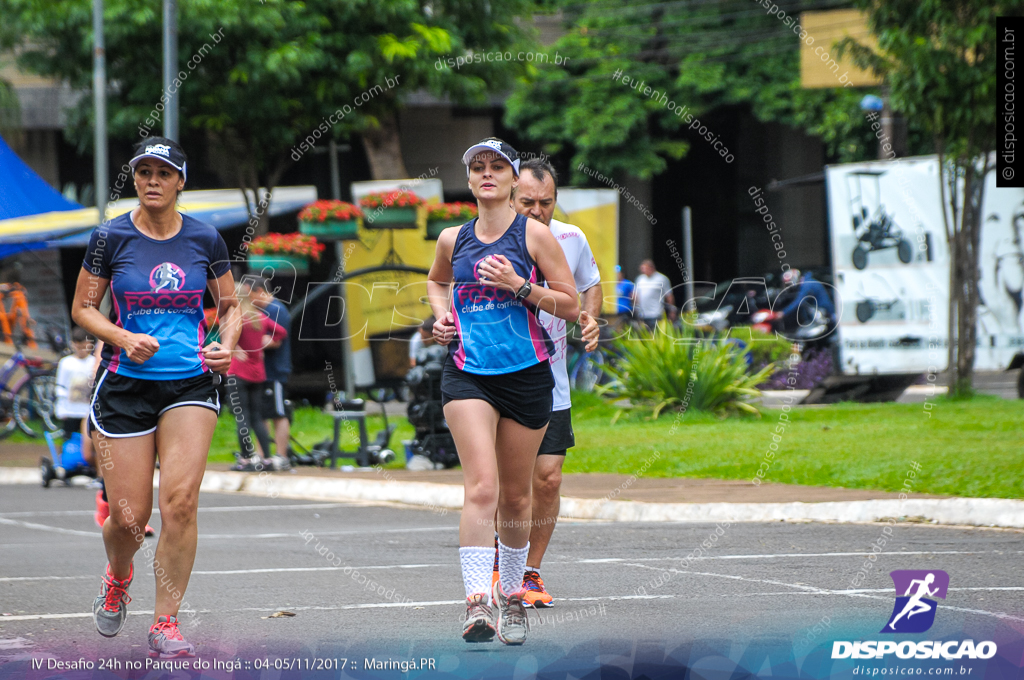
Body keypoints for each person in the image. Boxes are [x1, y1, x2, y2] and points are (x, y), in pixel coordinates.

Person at [71, 136, 240, 659]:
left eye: (162, 173)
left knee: (181, 504)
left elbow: (230, 305)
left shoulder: (205, 238)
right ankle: (117, 577)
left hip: (189, 383)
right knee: (127, 518)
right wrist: (122, 338)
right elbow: (83, 307)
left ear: (180, 182)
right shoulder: (110, 237)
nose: (151, 181)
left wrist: (225, 348)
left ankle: (165, 621)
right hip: (124, 384)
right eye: (143, 172)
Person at [427, 138, 580, 646]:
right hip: (468, 374)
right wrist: (443, 316)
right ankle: (477, 603)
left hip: (528, 374)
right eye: (477, 167)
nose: (487, 174)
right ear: (468, 180)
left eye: (497, 167)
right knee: (483, 488)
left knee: (516, 498)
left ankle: (512, 595)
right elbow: (436, 283)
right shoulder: (452, 238)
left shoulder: (534, 237)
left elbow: (570, 305)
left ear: (515, 180)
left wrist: (520, 286)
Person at [504, 158, 601, 609]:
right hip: (496, 380)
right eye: (528, 202)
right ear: (510, 197)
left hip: (552, 383)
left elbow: (591, 284)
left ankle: (531, 572)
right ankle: (498, 565)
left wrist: (591, 318)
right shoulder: (485, 240)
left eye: (546, 202)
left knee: (547, 479)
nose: (538, 211)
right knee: (508, 485)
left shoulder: (570, 238)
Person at [228, 279, 288, 472]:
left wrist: (234, 347)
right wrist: (265, 343)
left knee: (242, 417)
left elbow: (221, 338)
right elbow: (281, 332)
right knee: (257, 416)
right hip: (258, 374)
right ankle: (267, 458)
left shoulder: (236, 318)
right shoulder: (259, 317)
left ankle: (246, 459)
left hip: (238, 372)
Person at [244, 276, 293, 463]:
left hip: (275, 370)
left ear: (260, 292)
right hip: (261, 371)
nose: (249, 301)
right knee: (262, 413)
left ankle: (281, 455)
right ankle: (262, 454)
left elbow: (273, 341)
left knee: (278, 413)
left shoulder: (276, 310)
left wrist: (248, 342)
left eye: (250, 295)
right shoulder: (262, 312)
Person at [634, 259, 674, 329]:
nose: (643, 271)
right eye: (642, 269)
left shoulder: (661, 279)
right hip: (643, 314)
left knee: (655, 333)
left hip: (656, 313)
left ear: (651, 268)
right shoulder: (640, 279)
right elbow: (637, 294)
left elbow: (669, 296)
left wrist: (672, 310)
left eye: (645, 269)